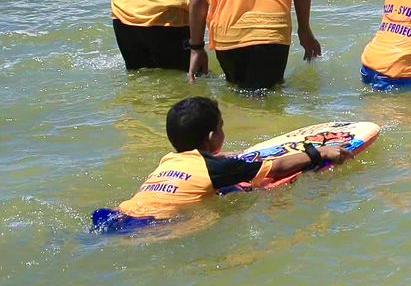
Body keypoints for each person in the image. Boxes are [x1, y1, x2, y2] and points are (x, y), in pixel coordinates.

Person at [96, 96, 343, 229]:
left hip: (117, 216)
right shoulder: (218, 169)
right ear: (213, 137)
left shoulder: (168, 160)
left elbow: (202, 171)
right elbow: (277, 168)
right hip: (151, 226)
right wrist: (320, 153)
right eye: (221, 127)